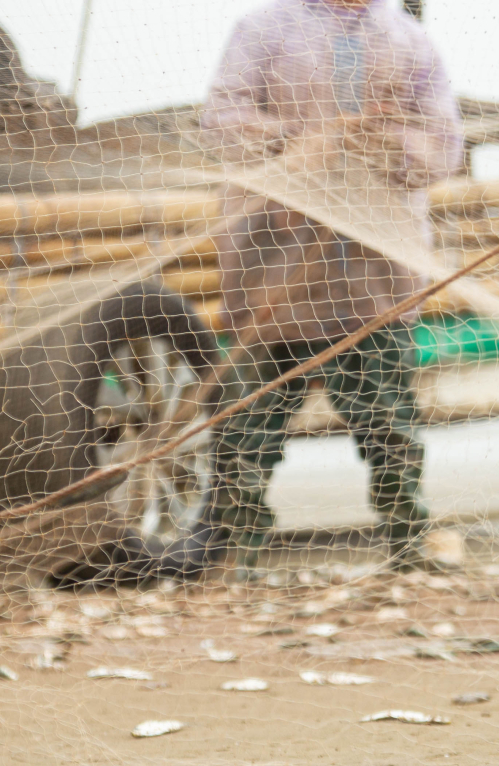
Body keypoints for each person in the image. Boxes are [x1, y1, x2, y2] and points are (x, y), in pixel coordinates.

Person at [195, 0, 463, 577]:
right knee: (247, 425)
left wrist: (384, 139)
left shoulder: (408, 41)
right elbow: (221, 120)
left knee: (390, 422)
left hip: (373, 276)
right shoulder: (264, 30)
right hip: (272, 267)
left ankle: (408, 548)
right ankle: (235, 558)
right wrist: (303, 138)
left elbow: (444, 145)